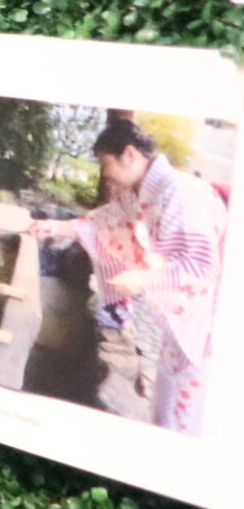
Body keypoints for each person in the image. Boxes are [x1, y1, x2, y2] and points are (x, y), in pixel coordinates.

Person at [33, 119, 229, 435]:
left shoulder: (181, 192)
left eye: (105, 163)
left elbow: (202, 266)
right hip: (182, 317)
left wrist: (141, 279)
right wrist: (55, 227)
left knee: (190, 398)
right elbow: (105, 222)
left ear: (128, 154)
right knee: (169, 387)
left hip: (207, 315)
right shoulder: (140, 190)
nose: (104, 173)